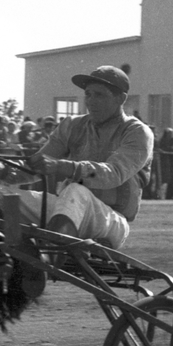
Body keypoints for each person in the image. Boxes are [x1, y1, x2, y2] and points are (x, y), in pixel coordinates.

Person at [19, 66, 153, 251]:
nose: (90, 101)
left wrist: (61, 166)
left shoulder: (137, 132)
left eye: (99, 95)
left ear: (121, 99)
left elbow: (113, 174)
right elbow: (35, 166)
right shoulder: (71, 125)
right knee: (7, 197)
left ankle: (50, 255)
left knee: (76, 190)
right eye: (88, 94)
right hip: (69, 209)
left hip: (111, 220)